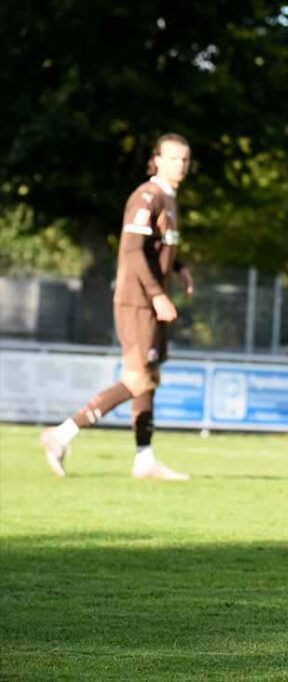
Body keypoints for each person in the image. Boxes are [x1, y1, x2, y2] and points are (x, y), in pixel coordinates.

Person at [40, 133, 195, 480]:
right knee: (138, 379)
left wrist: (181, 269)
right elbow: (131, 251)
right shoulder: (146, 196)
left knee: (150, 377)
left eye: (184, 159)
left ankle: (145, 459)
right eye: (172, 158)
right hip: (136, 301)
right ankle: (61, 434)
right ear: (156, 160)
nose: (180, 165)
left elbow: (160, 246)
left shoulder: (170, 199)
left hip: (151, 303)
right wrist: (157, 294)